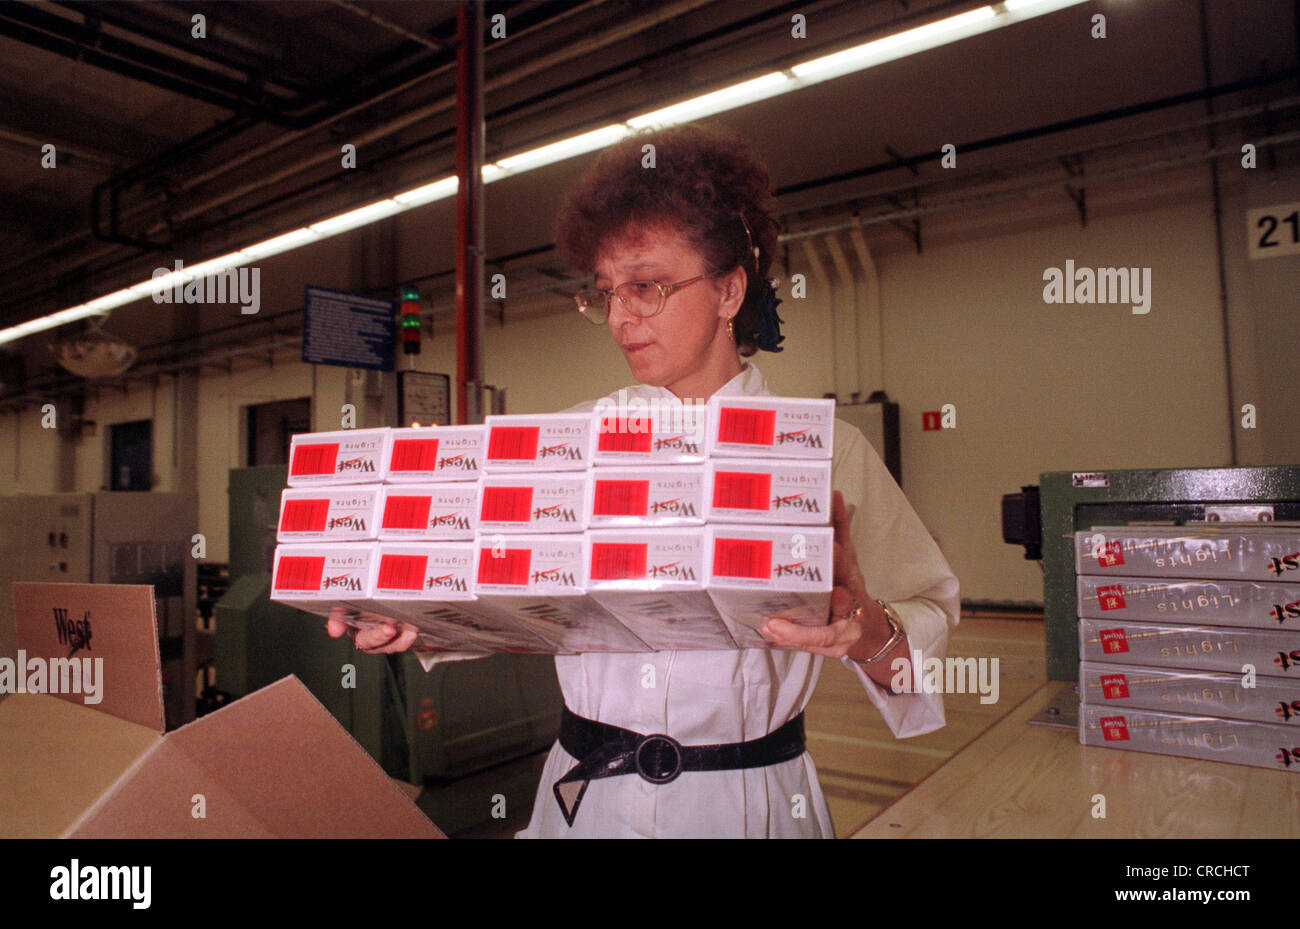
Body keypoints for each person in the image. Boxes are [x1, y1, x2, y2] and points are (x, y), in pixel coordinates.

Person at [328, 123, 960, 838]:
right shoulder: (571, 444)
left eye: (647, 288)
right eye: (605, 292)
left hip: (750, 804)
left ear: (728, 291)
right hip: (587, 797)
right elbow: (511, 595)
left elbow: (916, 648)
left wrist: (866, 626)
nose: (619, 318)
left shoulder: (825, 456)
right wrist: (409, 616)